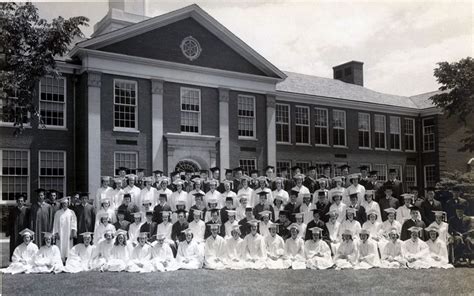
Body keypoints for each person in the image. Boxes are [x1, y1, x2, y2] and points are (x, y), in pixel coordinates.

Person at [7, 193, 30, 260]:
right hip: (15, 231)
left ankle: (24, 260)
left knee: (24, 245)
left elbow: (29, 221)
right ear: (17, 201)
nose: (20, 202)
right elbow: (9, 222)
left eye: (22, 201)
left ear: (24, 202)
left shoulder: (27, 210)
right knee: (14, 245)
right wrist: (9, 231)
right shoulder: (13, 210)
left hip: (24, 231)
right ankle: (14, 260)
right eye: (19, 201)